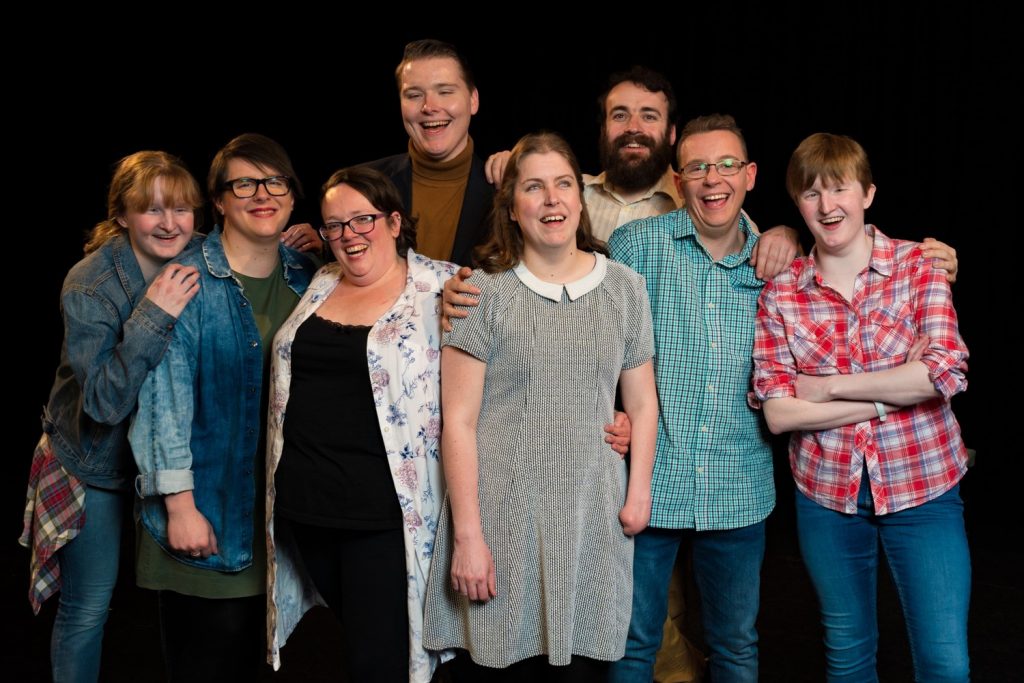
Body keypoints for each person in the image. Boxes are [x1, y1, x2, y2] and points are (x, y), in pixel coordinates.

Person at [422, 132, 659, 682]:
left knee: (581, 669)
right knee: (502, 665)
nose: (551, 200)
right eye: (534, 187)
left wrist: (637, 493)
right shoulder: (483, 293)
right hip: (505, 520)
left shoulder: (626, 289)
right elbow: (457, 422)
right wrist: (468, 537)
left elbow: (642, 403)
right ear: (511, 205)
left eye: (563, 185)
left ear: (580, 198)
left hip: (590, 516)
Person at [753, 132, 970, 681]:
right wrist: (891, 394)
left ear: (867, 194)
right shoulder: (782, 294)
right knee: (848, 657)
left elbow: (943, 372)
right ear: (797, 204)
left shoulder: (920, 266)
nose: (827, 207)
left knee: (945, 662)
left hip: (925, 486)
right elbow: (779, 413)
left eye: (839, 190)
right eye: (811, 195)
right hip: (827, 495)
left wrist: (827, 387)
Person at [129, 134, 317, 682]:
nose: (262, 194)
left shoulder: (308, 277)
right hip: (202, 520)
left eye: (274, 181)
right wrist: (180, 504)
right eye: (244, 184)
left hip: (275, 529)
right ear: (219, 200)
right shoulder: (185, 280)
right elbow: (161, 401)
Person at [265, 166, 456, 683]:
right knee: (357, 646)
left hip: (384, 516)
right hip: (307, 511)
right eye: (335, 225)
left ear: (395, 222)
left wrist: (610, 411)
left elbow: (509, 373)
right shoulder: (320, 281)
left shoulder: (446, 285)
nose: (349, 234)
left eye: (363, 219)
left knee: (379, 661)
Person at [20, 150, 202, 683]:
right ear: (121, 215)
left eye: (182, 209)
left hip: (169, 466)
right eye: (152, 210)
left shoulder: (201, 257)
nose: (170, 224)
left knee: (186, 602)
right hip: (93, 463)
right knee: (89, 608)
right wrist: (153, 315)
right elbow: (101, 403)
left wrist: (289, 239)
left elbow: (251, 249)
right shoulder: (90, 284)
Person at [363, 38, 493, 266]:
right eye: (414, 95)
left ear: (473, 100)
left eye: (445, 92)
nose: (429, 107)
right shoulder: (362, 185)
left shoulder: (507, 187)